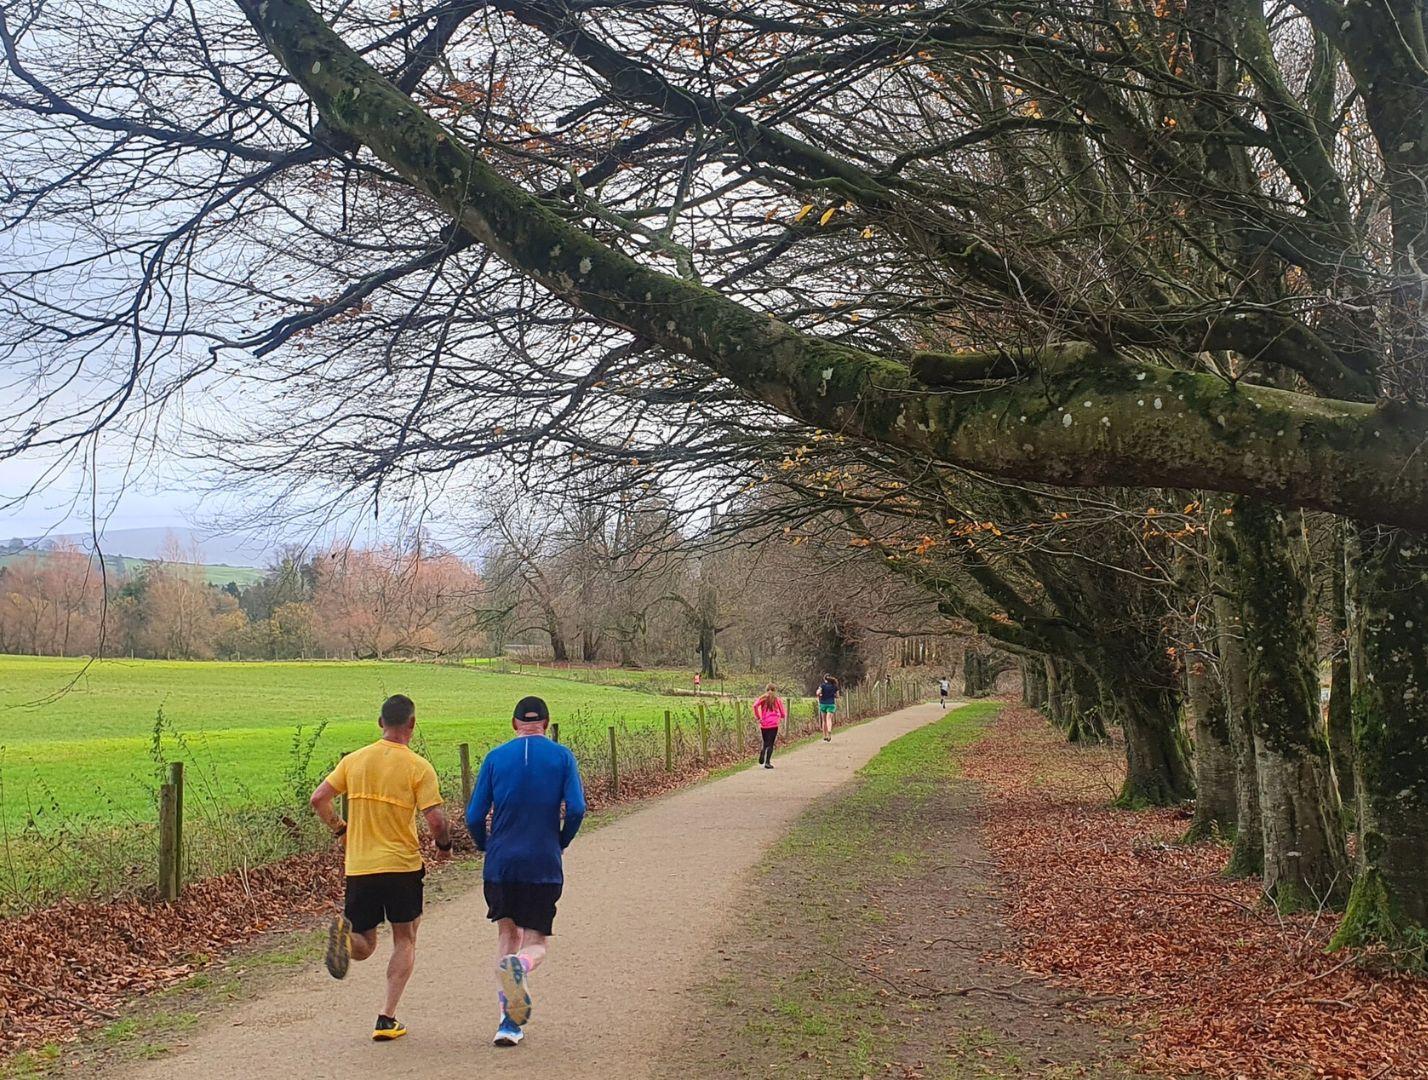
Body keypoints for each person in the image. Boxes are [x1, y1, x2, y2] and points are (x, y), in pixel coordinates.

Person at [310, 693, 452, 1042]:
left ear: (380, 723)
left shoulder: (354, 761)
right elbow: (435, 820)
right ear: (412, 725)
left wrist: (341, 830)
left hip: (359, 865)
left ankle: (345, 934)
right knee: (405, 938)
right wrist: (444, 845)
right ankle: (386, 1018)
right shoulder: (418, 767)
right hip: (402, 865)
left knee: (364, 943)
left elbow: (318, 799)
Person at [466, 695, 586, 1048]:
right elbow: (577, 808)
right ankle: (522, 964)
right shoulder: (562, 757)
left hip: (501, 862)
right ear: (546, 724)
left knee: (507, 934)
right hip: (542, 861)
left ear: (514, 724)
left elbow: (474, 815)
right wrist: (561, 839)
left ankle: (509, 1023)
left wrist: (484, 844)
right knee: (535, 942)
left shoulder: (494, 758)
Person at [753, 684, 786, 768]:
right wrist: (781, 716)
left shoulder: (763, 699)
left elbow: (755, 705)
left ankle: (763, 751)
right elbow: (782, 711)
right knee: (771, 743)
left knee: (765, 742)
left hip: (764, 724)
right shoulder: (777, 700)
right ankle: (767, 762)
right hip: (774, 724)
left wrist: (758, 717)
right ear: (774, 690)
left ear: (766, 690)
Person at [816, 673, 840, 741]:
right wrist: (833, 695)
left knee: (824, 721)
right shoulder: (835, 686)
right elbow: (838, 696)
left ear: (824, 679)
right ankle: (829, 731)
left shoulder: (822, 685)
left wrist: (820, 694)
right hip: (831, 704)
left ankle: (824, 735)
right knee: (829, 719)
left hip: (823, 704)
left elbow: (818, 693)